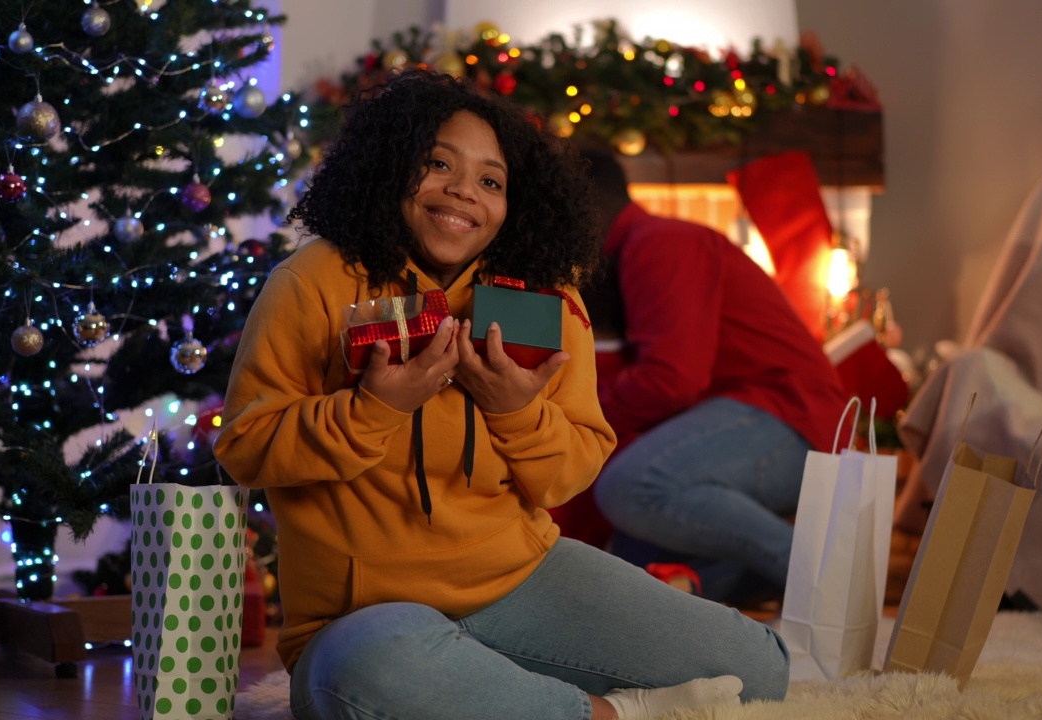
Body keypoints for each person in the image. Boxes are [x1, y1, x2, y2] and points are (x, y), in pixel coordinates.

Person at [213, 68, 789, 720]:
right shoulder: (312, 281)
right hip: (365, 618)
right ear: (389, 169)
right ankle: (605, 715)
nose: (463, 192)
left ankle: (499, 690)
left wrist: (515, 411)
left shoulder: (548, 299)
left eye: (491, 181)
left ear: (515, 205)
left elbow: (571, 470)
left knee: (763, 669)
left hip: (521, 581)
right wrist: (376, 408)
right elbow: (246, 446)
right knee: (369, 675)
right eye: (437, 165)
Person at [580, 148, 850, 603]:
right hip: (765, 420)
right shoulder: (643, 250)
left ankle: (826, 578)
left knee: (630, 487)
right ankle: (766, 581)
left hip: (788, 416)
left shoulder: (659, 243)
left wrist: (577, 412)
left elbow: (672, 379)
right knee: (630, 562)